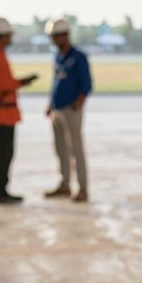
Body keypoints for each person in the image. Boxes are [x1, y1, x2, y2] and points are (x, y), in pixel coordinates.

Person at [0, 17, 36, 204]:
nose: (11, 38)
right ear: (2, 36)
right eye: (9, 35)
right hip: (2, 114)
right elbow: (4, 84)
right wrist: (22, 82)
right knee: (0, 155)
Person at [43, 18, 93, 203]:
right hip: (56, 109)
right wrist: (50, 104)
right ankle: (64, 184)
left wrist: (77, 103)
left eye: (56, 36)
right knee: (60, 149)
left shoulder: (79, 57)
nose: (53, 40)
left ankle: (83, 188)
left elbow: (86, 85)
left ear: (65, 35)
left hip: (71, 110)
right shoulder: (57, 56)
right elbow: (56, 81)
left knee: (76, 149)